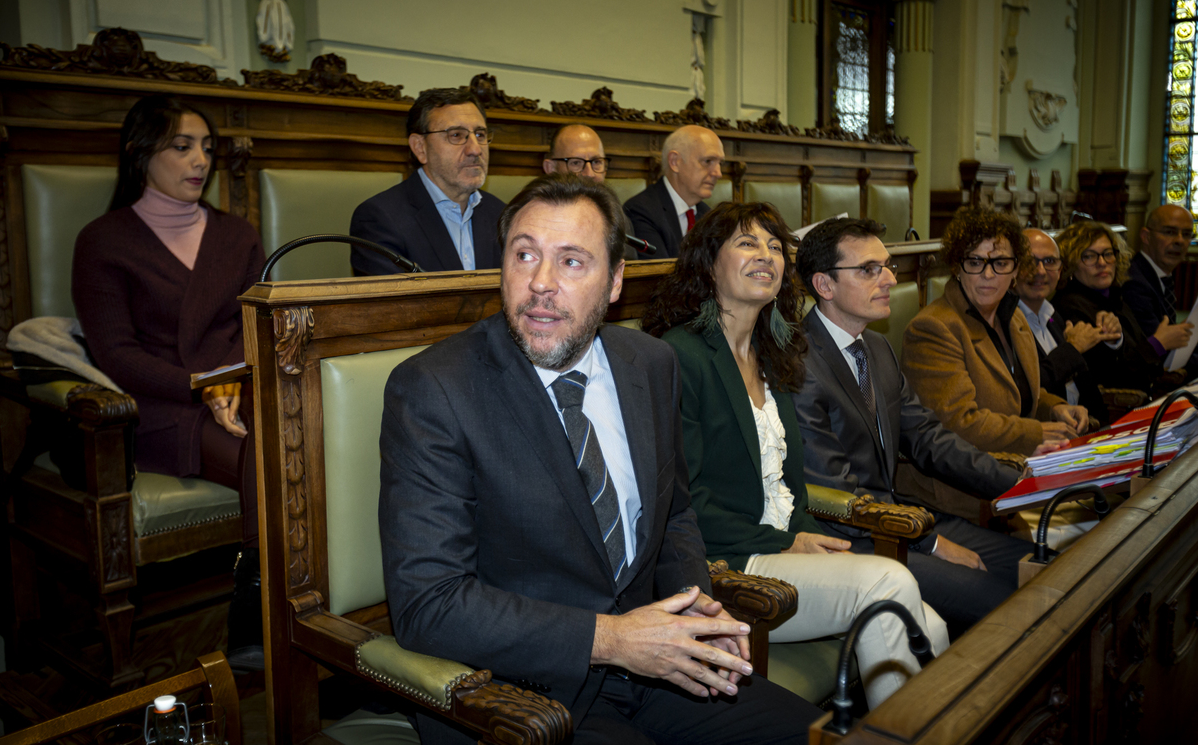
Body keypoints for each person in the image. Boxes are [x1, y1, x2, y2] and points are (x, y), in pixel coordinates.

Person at [380, 174, 818, 744]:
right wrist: (611, 640)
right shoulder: (435, 389)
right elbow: (429, 605)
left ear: (615, 282)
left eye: (571, 262)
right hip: (517, 695)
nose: (540, 283)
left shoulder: (652, 363)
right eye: (524, 255)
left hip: (657, 667)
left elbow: (676, 514)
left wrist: (691, 606)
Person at [640, 203, 949, 709]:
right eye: (746, 243)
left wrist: (802, 531)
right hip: (728, 564)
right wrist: (785, 542)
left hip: (778, 546)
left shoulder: (774, 350)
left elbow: (788, 487)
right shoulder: (681, 356)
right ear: (708, 263)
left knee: (931, 624)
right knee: (891, 580)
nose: (766, 256)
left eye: (775, 246)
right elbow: (682, 505)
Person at [71, 94, 265, 671]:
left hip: (241, 385)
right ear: (139, 153)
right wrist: (203, 385)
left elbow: (253, 320)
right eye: (182, 147)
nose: (199, 160)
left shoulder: (238, 234)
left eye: (206, 147)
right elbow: (116, 355)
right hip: (159, 405)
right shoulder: (103, 240)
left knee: (304, 436)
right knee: (268, 455)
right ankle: (255, 615)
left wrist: (231, 378)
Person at [792, 217, 1038, 632]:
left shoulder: (876, 346)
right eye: (870, 269)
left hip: (905, 518)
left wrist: (1021, 486)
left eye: (887, 265)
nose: (889, 278)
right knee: (1010, 606)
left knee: (1040, 566)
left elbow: (929, 439)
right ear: (825, 285)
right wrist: (934, 544)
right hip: (856, 538)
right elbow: (834, 494)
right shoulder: (799, 363)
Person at [901, 208, 1088, 459]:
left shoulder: (1014, 318)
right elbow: (957, 423)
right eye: (975, 262)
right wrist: (1036, 433)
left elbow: (1015, 393)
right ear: (957, 267)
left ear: (1015, 271)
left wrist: (1055, 409)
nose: (988, 275)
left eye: (1000, 263)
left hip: (1020, 462)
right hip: (964, 485)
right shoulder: (933, 328)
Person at [350, 87, 504, 274]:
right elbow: (393, 303)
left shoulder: (502, 214)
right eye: (456, 135)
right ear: (420, 147)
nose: (475, 149)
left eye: (480, 135)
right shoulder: (380, 219)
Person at [1012, 229, 1117, 427]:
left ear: (1060, 271)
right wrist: (1072, 348)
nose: (1040, 271)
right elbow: (1026, 390)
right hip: (1049, 436)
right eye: (1030, 261)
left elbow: (1093, 379)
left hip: (1090, 429)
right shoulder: (1004, 322)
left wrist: (1111, 338)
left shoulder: (1052, 315)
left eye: (1050, 262)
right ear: (1012, 268)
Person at [1053, 220, 1171, 395]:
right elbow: (1111, 377)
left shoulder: (1114, 297)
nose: (1102, 262)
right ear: (1070, 264)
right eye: (1089, 256)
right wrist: (1156, 344)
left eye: (1108, 254)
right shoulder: (1069, 306)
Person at [624, 125, 724, 258]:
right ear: (675, 162)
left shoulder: (709, 215)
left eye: (720, 163)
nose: (718, 173)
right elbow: (658, 274)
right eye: (707, 161)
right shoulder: (641, 211)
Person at [542, 124, 638, 261]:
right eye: (576, 163)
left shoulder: (617, 215)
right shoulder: (533, 217)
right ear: (551, 168)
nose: (589, 173)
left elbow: (629, 273)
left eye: (596, 162)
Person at [1122, 204, 1196, 369]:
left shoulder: (1159, 275)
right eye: (1169, 232)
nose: (1179, 240)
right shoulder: (1135, 284)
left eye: (1186, 234)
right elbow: (1162, 354)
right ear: (1146, 236)